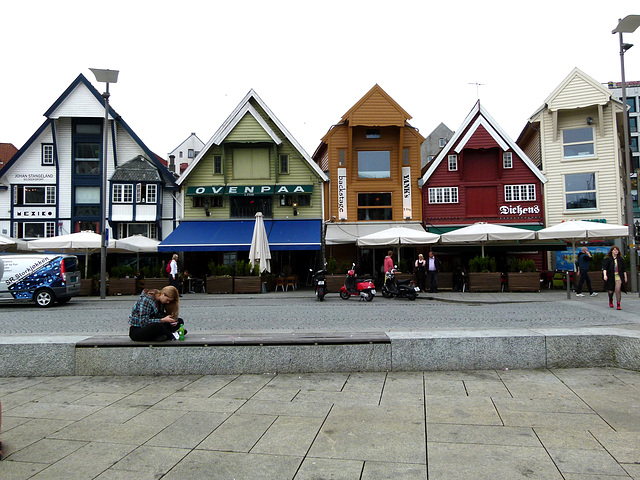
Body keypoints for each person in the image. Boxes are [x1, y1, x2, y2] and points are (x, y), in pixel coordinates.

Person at [602, 245, 627, 310]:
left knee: (618, 290)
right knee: (610, 291)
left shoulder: (620, 259)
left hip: (618, 276)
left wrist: (625, 277)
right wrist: (605, 275)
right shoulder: (608, 259)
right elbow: (605, 268)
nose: (616, 251)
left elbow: (624, 269)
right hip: (611, 276)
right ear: (612, 251)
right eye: (614, 250)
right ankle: (610, 299)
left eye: (617, 250)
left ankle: (618, 303)